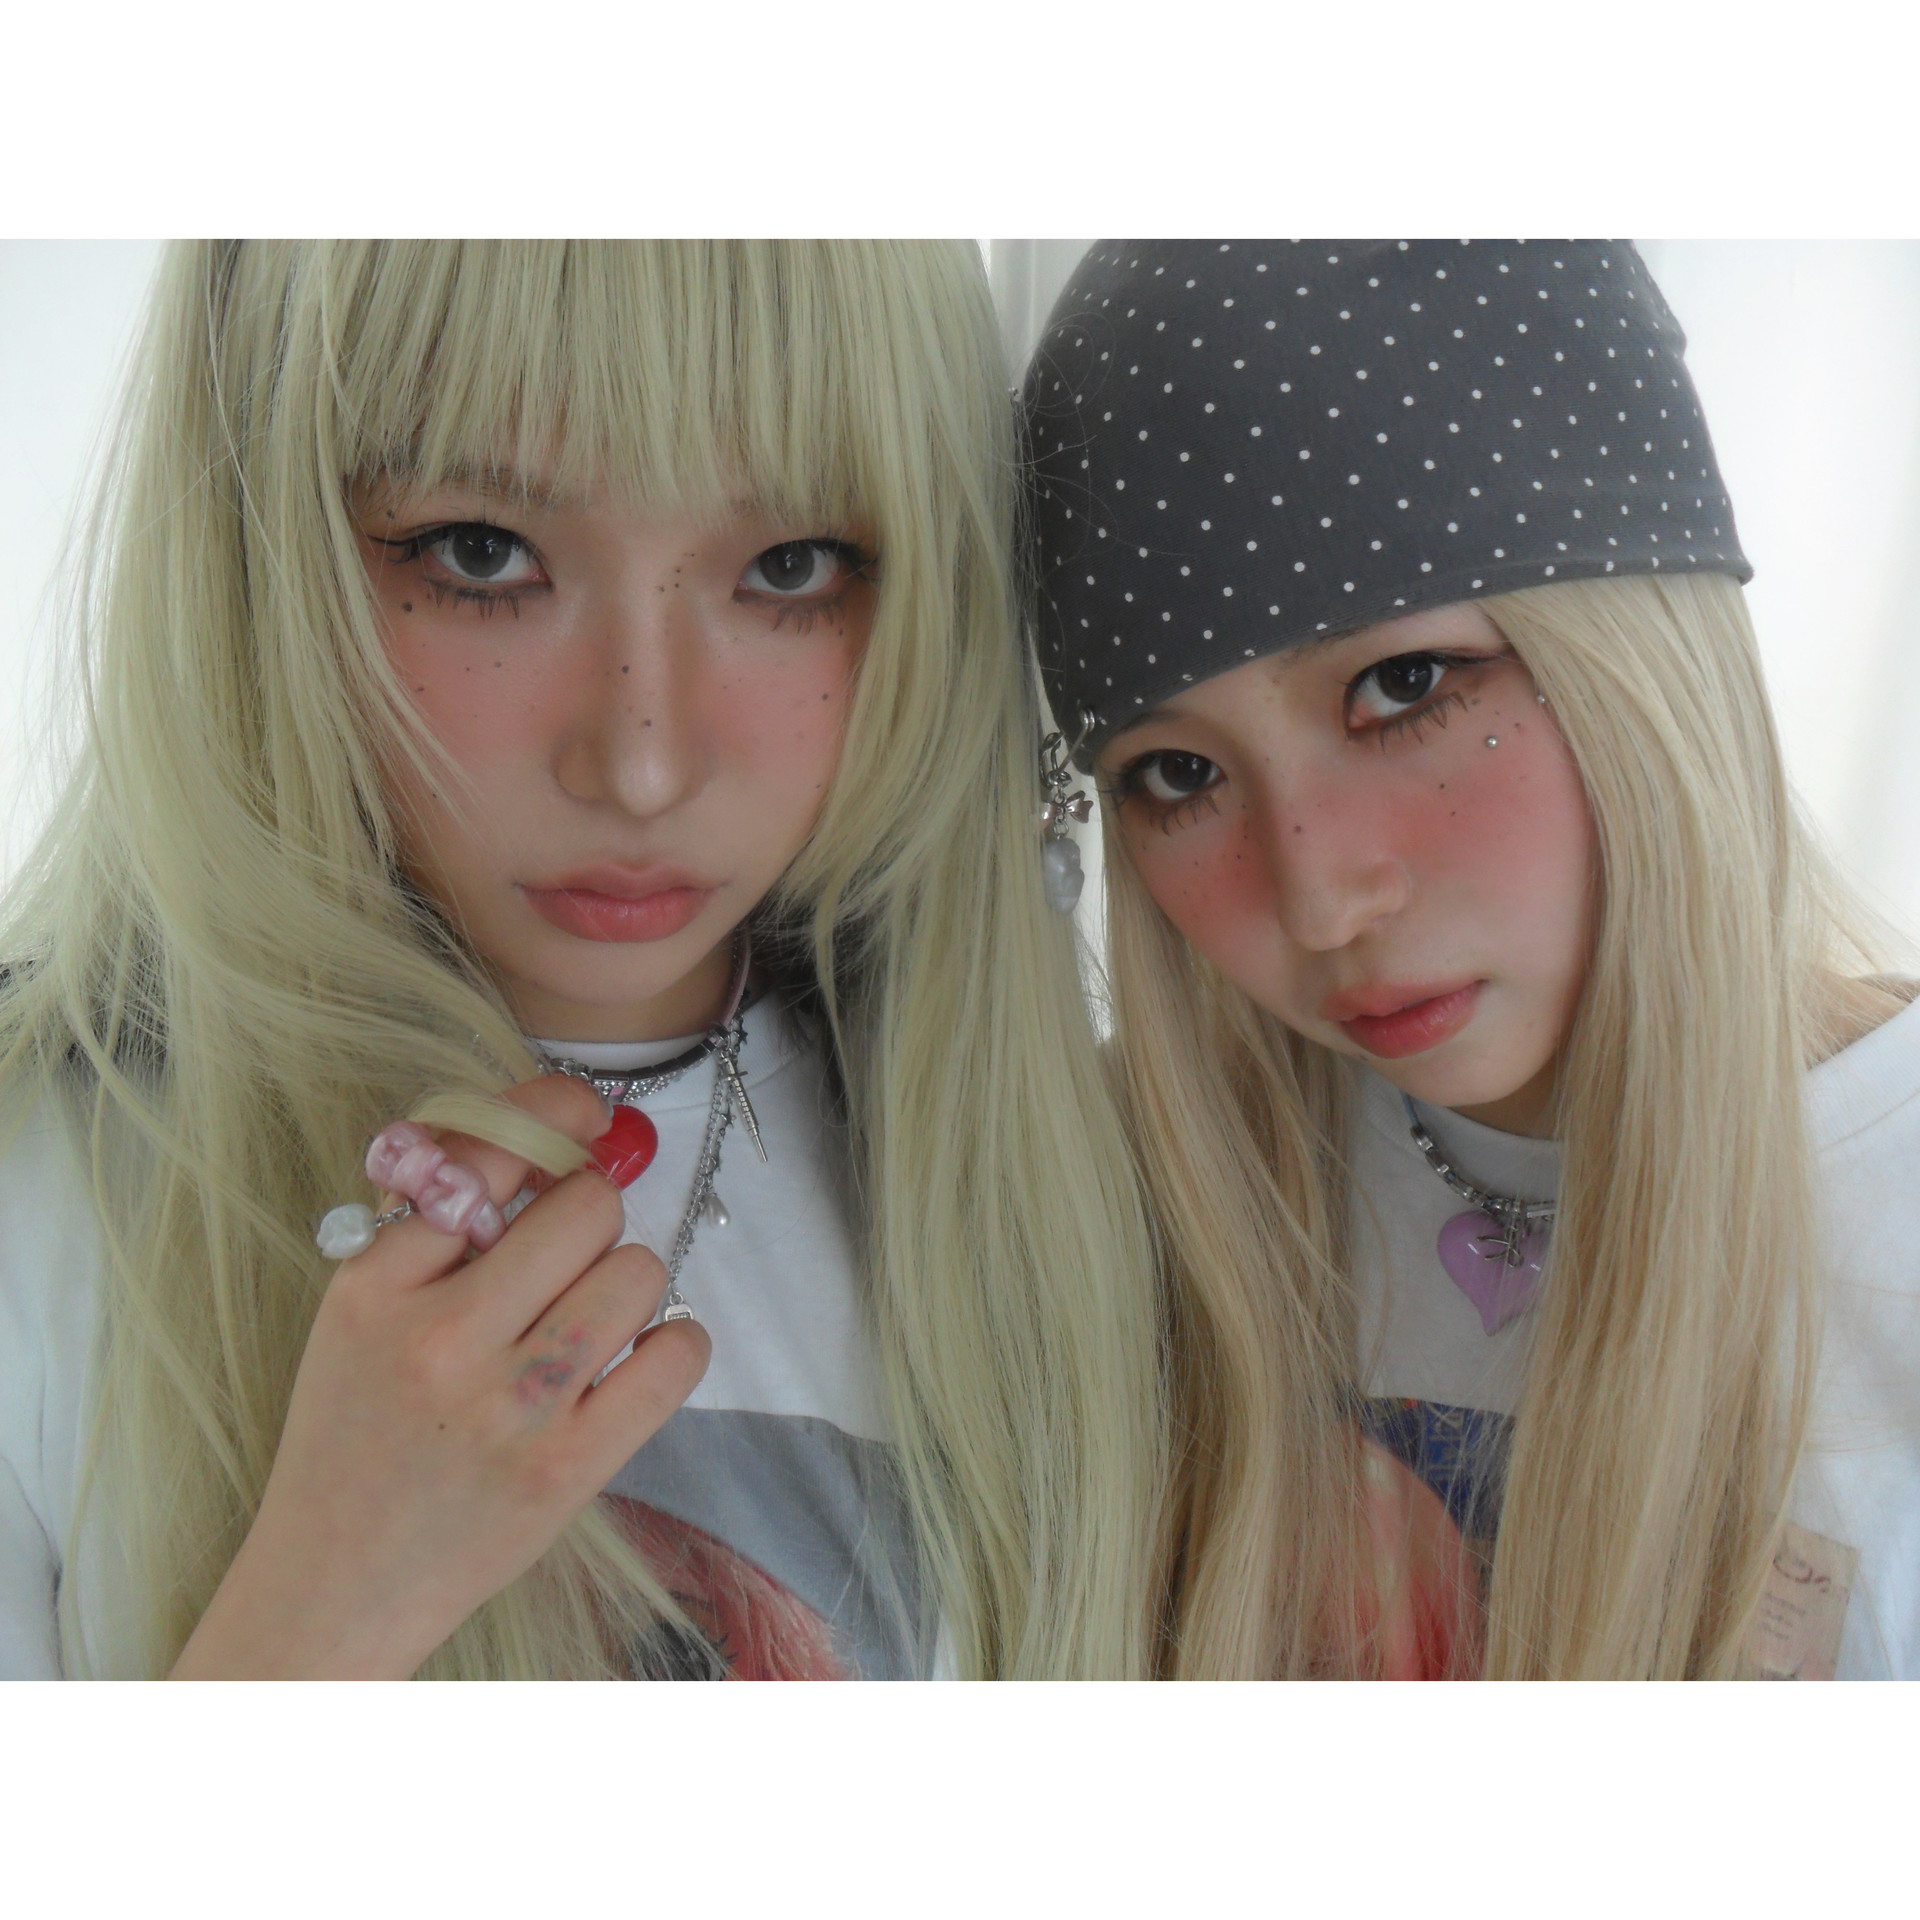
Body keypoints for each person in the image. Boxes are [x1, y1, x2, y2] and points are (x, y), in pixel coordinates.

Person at [0, 240, 1165, 1681]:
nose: (642, 763)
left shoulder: (1088, 1202)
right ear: (261, 554)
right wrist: (321, 1609)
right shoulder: (48, 1192)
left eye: (789, 568)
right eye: (481, 554)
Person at [1020, 239, 1920, 1679]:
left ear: (1640, 655)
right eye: (1179, 776)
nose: (1322, 900)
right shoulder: (1119, 1218)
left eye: (1405, 687)